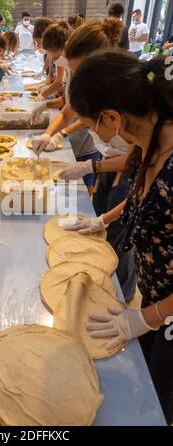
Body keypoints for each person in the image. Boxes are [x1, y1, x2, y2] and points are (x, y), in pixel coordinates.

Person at [68, 50, 173, 424]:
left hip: (166, 308)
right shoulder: (152, 141)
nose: (92, 133)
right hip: (158, 299)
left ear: (112, 117)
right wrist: (105, 220)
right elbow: (145, 196)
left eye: (90, 124)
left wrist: (147, 317)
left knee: (153, 404)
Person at [32, 19, 124, 196]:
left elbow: (140, 155)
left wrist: (91, 165)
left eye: (80, 71)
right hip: (114, 158)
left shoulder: (119, 92)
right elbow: (68, 111)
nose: (76, 76)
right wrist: (48, 134)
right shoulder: (89, 82)